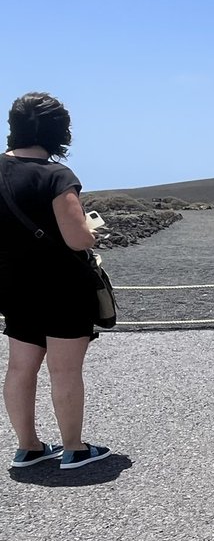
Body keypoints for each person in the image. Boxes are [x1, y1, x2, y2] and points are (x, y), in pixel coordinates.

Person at [1, 93, 111, 471]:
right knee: (64, 371)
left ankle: (28, 447)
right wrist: (92, 231)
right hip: (63, 287)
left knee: (20, 368)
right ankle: (73, 449)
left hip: (15, 285)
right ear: (57, 131)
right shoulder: (56, 176)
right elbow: (77, 239)